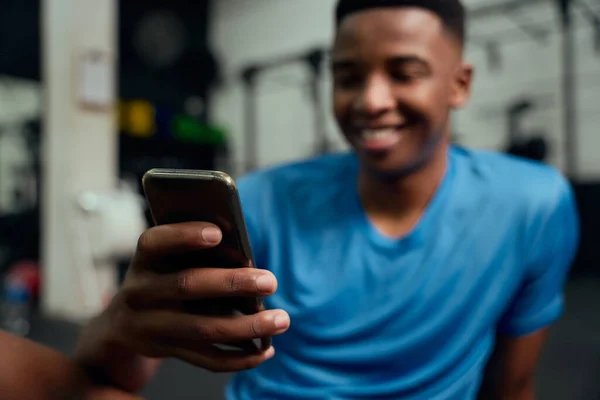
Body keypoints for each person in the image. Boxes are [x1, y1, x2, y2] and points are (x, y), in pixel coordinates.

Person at [74, 0, 580, 399]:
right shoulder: (263, 199)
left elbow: (511, 388)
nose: (370, 101)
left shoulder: (532, 204)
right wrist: (122, 323)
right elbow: (127, 370)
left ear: (460, 84)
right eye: (348, 76)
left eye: (404, 73)